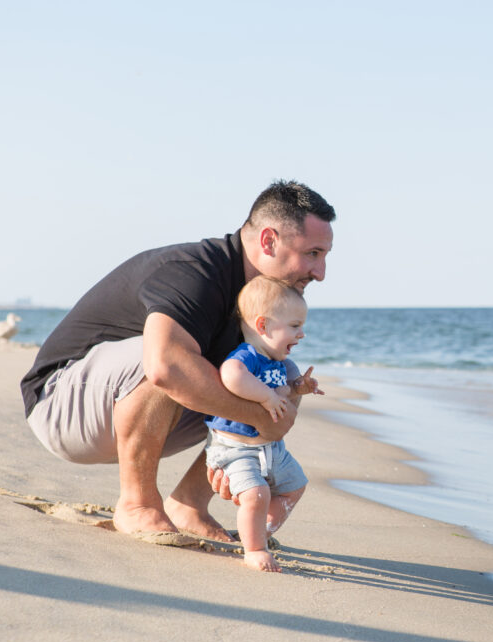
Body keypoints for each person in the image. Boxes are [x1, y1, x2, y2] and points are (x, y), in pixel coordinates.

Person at [20, 180, 335, 542]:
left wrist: (244, 438)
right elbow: (164, 368)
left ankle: (188, 505)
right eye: (312, 253)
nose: (320, 271)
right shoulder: (194, 272)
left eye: (324, 256)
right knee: (169, 359)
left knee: (276, 379)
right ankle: (137, 504)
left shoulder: (261, 300)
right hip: (62, 404)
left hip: (138, 414)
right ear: (268, 241)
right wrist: (257, 418)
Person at [205, 276, 323, 571]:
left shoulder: (276, 364)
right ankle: (254, 549)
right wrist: (267, 398)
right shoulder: (249, 356)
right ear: (263, 326)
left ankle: (259, 532)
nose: (302, 334)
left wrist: (299, 387)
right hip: (235, 449)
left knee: (295, 485)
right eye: (295, 326)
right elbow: (231, 375)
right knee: (257, 495)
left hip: (271, 448)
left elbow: (283, 389)